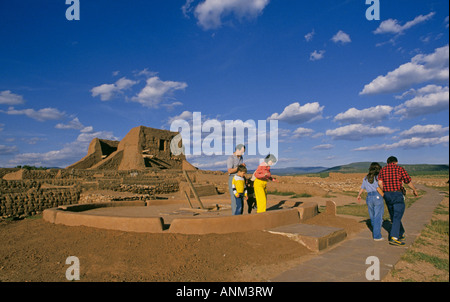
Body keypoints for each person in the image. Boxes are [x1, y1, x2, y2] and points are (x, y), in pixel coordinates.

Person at [378, 156, 419, 246]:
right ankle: (394, 237)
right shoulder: (400, 169)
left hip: (387, 195)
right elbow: (407, 181)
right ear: (396, 162)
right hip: (397, 194)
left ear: (387, 162)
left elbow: (380, 182)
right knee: (397, 216)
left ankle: (401, 232)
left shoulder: (383, 170)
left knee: (393, 215)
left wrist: (384, 191)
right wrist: (414, 189)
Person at [357, 162, 384, 241]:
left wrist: (359, 195)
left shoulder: (365, 178)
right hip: (377, 196)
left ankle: (375, 229)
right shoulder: (378, 177)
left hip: (369, 197)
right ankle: (377, 236)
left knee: (372, 216)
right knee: (378, 216)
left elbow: (362, 187)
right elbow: (380, 185)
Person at [227, 144, 245, 215]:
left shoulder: (241, 157)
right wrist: (239, 167)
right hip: (233, 178)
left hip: (240, 179)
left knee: (241, 199)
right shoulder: (231, 158)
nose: (242, 153)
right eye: (242, 152)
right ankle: (234, 217)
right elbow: (229, 171)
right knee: (235, 199)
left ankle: (240, 216)